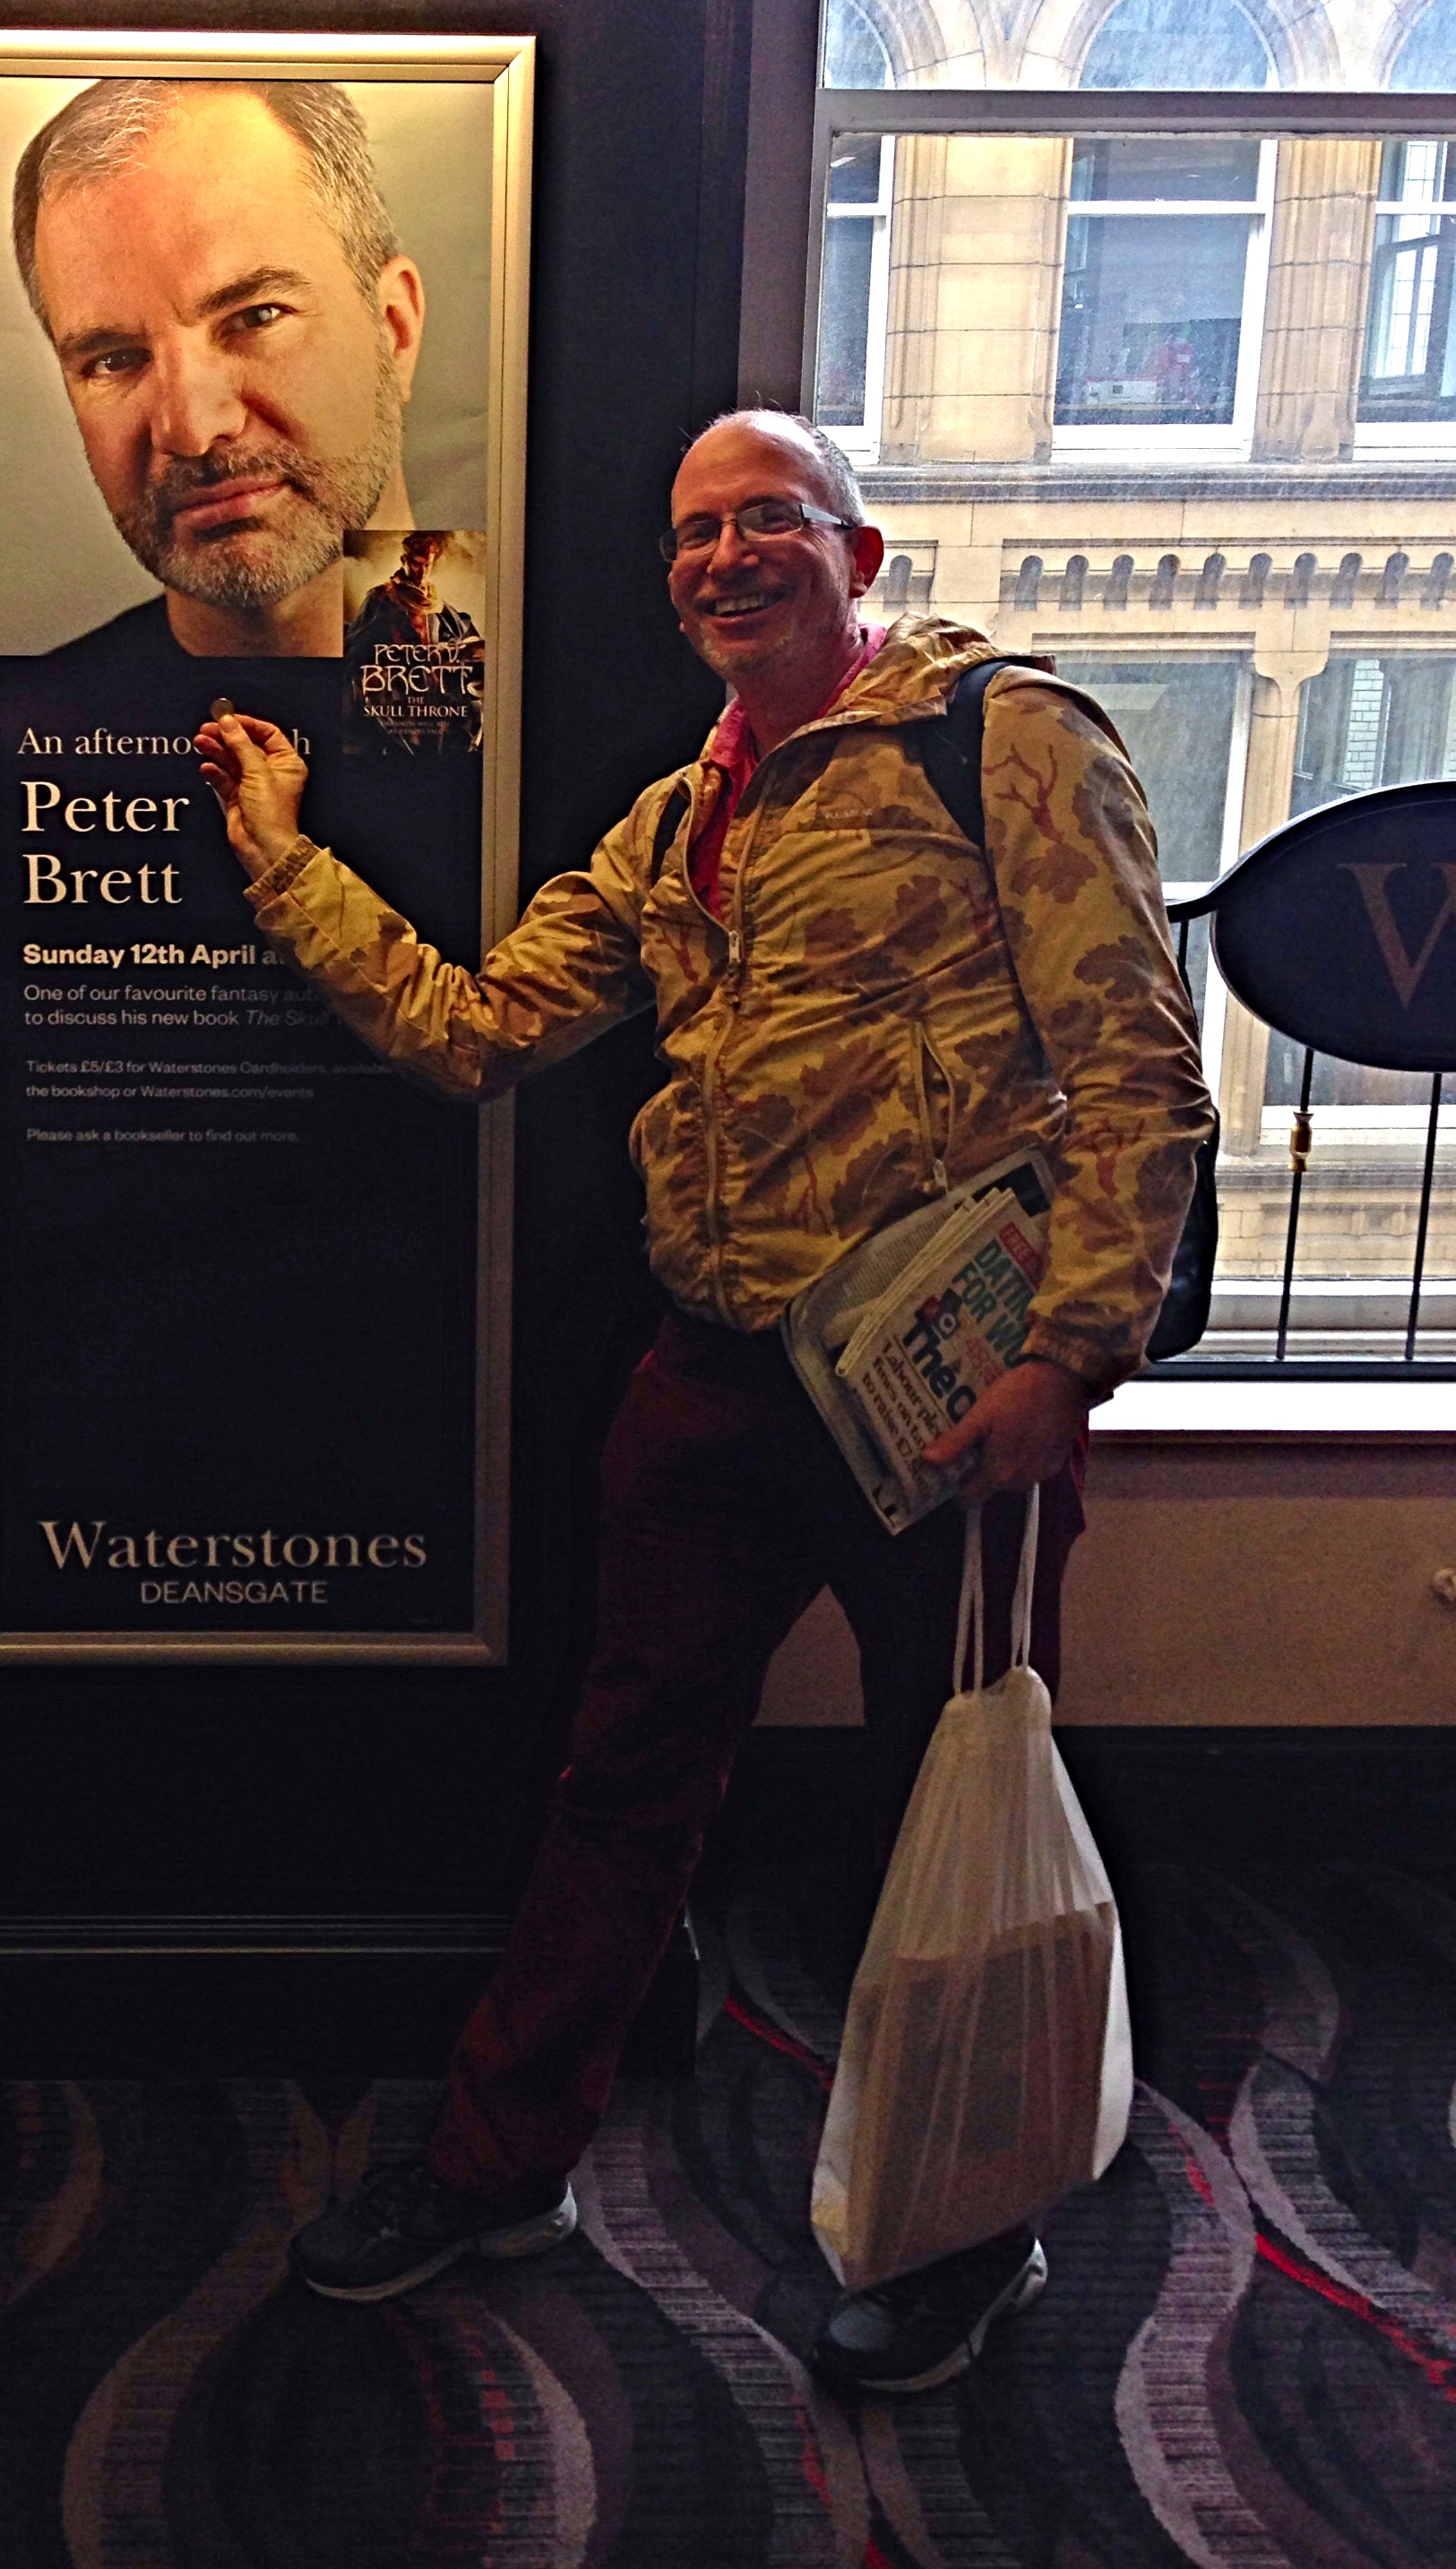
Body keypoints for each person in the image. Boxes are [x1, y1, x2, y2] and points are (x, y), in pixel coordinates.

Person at [194, 408, 1211, 2395]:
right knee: (620, 1780)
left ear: (861, 549)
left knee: (956, 1819)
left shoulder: (1001, 739)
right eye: (693, 535)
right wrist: (282, 860)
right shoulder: (680, 824)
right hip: (718, 1382)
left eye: (769, 522)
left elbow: (1138, 1070)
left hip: (946, 1398)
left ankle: (960, 2232)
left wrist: (1064, 1360)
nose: (726, 558)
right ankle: (502, 2165)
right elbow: (477, 1030)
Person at [12, 77, 426, 683]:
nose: (192, 429)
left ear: (395, 330)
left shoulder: (562, 689)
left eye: (255, 318)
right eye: (114, 360)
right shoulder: (12, 736)